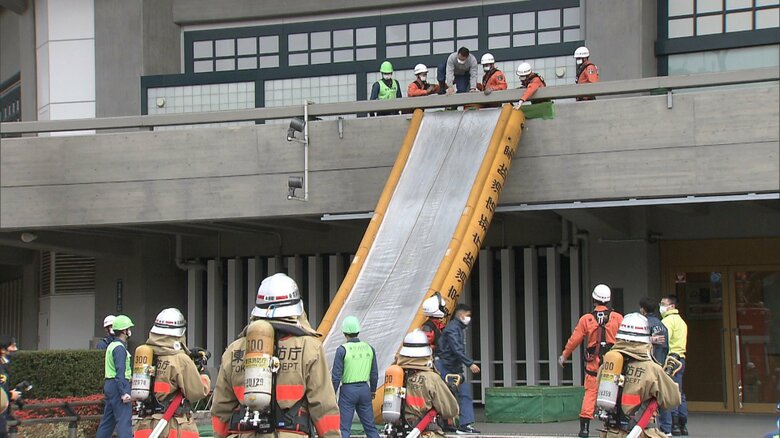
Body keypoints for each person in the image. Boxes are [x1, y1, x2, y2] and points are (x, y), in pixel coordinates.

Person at [211, 273, 340, 438]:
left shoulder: (234, 349)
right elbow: (323, 407)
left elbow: (221, 409)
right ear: (296, 307)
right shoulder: (309, 347)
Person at [596, 313, 681, 438]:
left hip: (611, 432)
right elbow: (672, 400)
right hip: (642, 432)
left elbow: (598, 389)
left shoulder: (608, 364)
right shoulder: (652, 369)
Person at [133, 308, 211, 438]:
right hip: (172, 426)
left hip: (147, 425)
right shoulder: (180, 359)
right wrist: (204, 375)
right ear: (179, 334)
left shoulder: (147, 354)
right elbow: (197, 392)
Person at [559, 284, 624, 438]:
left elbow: (574, 340)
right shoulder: (617, 317)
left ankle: (585, 429)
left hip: (594, 363)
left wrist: (564, 355)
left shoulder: (586, 319)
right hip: (613, 364)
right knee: (617, 391)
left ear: (593, 299)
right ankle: (616, 423)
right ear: (608, 300)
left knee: (590, 394)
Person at [395, 329, 459, 437]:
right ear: (426, 353)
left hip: (398, 431)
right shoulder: (431, 378)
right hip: (423, 432)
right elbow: (451, 411)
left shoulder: (395, 374)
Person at [331, 316, 379, 438]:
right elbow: (374, 374)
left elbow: (336, 376)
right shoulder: (369, 348)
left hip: (348, 391)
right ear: (358, 330)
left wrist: (332, 394)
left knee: (344, 429)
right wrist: (372, 390)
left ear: (344, 332)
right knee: (370, 427)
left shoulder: (342, 350)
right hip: (365, 389)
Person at [437, 303, 480, 434]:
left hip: (451, 367)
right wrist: (470, 363)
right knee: (461, 394)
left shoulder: (457, 328)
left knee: (452, 394)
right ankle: (463, 424)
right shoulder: (453, 329)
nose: (468, 318)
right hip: (446, 367)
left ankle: (458, 424)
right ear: (460, 315)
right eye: (467, 315)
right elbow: (456, 349)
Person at [97, 315, 135, 438]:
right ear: (124, 331)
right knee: (124, 421)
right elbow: (120, 372)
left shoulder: (112, 346)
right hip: (118, 385)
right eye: (128, 328)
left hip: (110, 385)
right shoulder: (120, 348)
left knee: (108, 421)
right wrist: (124, 392)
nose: (130, 331)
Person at [660, 295, 689, 436]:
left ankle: (674, 424)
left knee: (670, 393)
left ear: (671, 306)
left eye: (663, 303)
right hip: (681, 359)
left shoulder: (667, 321)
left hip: (670, 361)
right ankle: (683, 424)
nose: (661, 306)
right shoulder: (682, 322)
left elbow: (664, 341)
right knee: (679, 391)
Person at [0, 336, 20, 438]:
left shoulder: (4, 365)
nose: (15, 349)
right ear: (2, 350)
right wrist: (11, 394)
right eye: (12, 346)